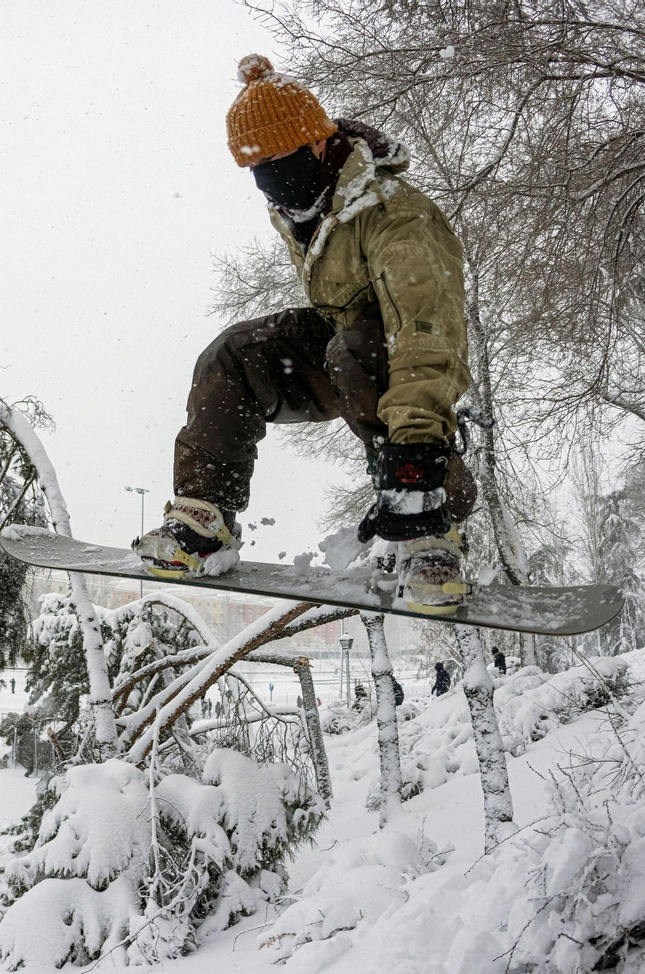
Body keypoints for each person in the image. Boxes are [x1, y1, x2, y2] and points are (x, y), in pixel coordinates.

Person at [132, 55, 476, 615]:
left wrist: (414, 450)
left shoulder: (396, 215)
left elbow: (425, 331)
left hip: (398, 355)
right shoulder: (302, 207)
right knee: (234, 354)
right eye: (256, 164)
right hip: (344, 346)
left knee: (357, 351)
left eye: (277, 158)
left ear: (316, 144)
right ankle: (204, 518)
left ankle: (429, 522)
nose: (267, 174)